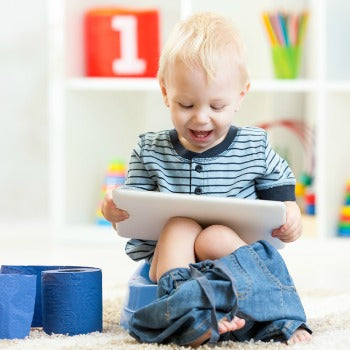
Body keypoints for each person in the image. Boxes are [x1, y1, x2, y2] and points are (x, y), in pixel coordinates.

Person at [102, 12, 312, 346]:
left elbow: (281, 190)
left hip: (233, 257)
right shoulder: (150, 149)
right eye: (186, 104)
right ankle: (191, 318)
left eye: (217, 105)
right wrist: (113, 210)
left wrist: (291, 212)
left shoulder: (252, 146)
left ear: (241, 96)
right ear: (165, 92)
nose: (201, 118)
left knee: (214, 235)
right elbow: (133, 211)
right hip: (171, 262)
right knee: (181, 225)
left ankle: (278, 316)